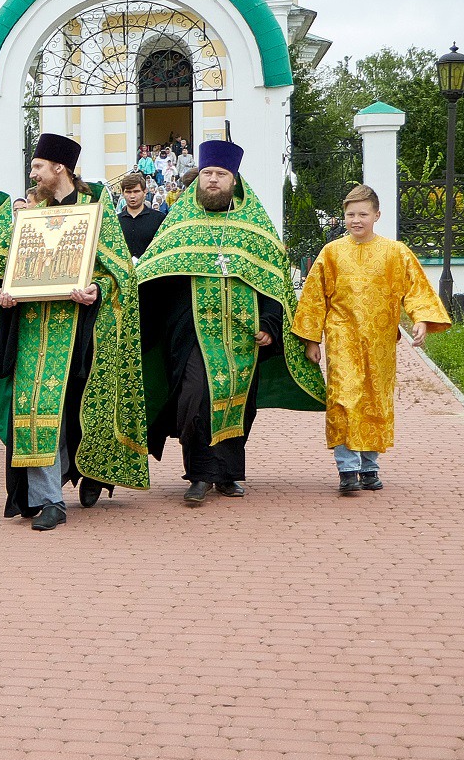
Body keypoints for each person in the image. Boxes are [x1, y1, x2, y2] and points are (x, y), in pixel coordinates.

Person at [134, 143, 326, 504]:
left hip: (242, 336)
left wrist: (270, 322)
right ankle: (198, 475)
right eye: (207, 173)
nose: (212, 180)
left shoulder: (254, 228)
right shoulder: (179, 224)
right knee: (193, 399)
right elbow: (152, 273)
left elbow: (273, 282)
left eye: (220, 175)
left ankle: (227, 475)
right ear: (198, 179)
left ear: (234, 180)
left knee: (238, 402)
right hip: (191, 335)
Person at [0, 133, 148, 530]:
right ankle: (49, 499)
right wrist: (2, 292)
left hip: (85, 332)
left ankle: (92, 472)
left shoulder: (96, 212)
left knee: (80, 410)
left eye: (38, 166)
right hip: (35, 333)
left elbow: (119, 273)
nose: (33, 173)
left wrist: (97, 289)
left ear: (60, 167)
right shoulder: (29, 215)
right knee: (39, 411)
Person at [292, 184, 452, 495]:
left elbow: (415, 288)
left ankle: (369, 466)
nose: (356, 220)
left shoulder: (395, 252)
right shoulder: (332, 252)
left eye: (363, 213)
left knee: (374, 398)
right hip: (342, 337)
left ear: (376, 215)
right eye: (350, 214)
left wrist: (420, 318)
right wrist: (312, 340)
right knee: (343, 397)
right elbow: (314, 298)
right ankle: (347, 469)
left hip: (379, 342)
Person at [115, 170, 165, 259]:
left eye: (136, 191)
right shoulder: (115, 222)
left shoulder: (159, 219)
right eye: (128, 192)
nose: (132, 196)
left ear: (145, 192)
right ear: (123, 193)